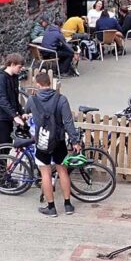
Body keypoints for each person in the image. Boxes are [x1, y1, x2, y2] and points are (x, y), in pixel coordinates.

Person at [28, 71, 81, 217]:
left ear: (38, 85)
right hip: (58, 140)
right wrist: (75, 140)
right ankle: (68, 205)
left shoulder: (33, 100)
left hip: (42, 140)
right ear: (49, 83)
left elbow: (26, 112)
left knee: (45, 173)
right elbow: (68, 122)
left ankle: (51, 207)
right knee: (62, 170)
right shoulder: (61, 99)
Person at [0, 54, 26, 186]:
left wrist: (21, 112)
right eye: (19, 67)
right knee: (5, 145)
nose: (20, 69)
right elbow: (2, 100)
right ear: (11, 64)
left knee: (7, 145)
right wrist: (15, 116)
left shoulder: (14, 78)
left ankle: (4, 175)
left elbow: (14, 99)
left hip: (7, 116)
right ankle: (1, 177)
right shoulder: (0, 78)